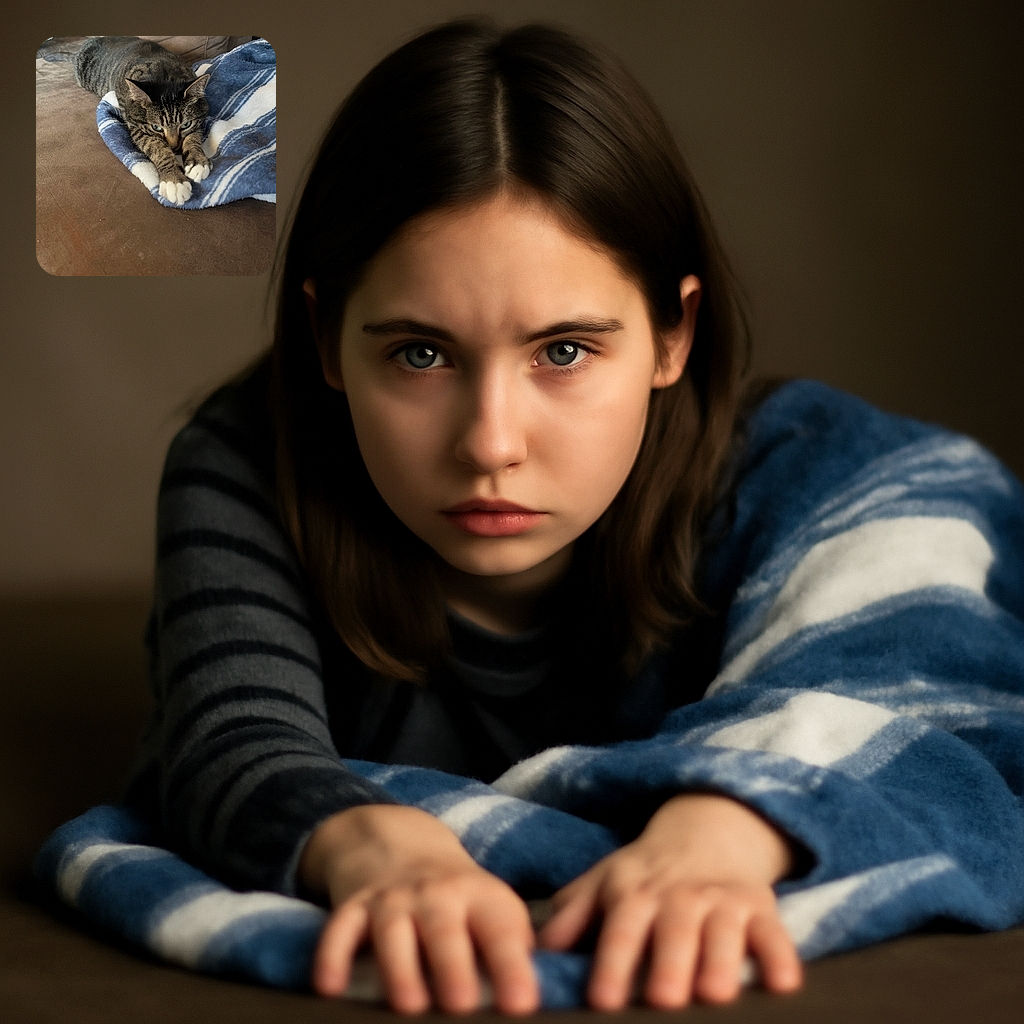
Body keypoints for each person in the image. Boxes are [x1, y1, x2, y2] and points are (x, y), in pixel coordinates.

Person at [127, 19, 1024, 1016]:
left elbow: (900, 692)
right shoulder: (252, 462)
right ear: (326, 342)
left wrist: (721, 830)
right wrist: (369, 842)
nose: (490, 442)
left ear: (672, 334)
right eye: (419, 354)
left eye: (563, 352)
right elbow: (229, 736)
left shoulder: (829, 478)